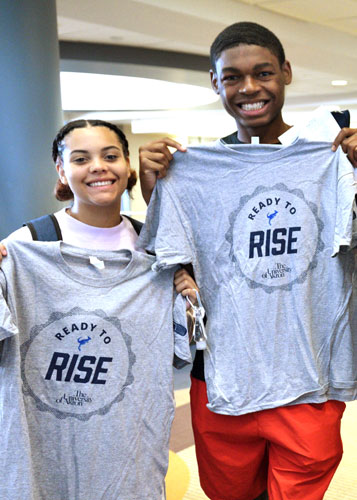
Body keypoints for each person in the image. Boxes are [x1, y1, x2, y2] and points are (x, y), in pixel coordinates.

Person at [137, 22, 357, 500]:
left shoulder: (335, 157)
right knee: (231, 494)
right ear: (215, 83)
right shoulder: (190, 171)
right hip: (221, 373)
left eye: (263, 73)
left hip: (310, 372)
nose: (249, 88)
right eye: (232, 77)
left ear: (287, 73)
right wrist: (154, 190)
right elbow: (160, 265)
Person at [0, 119, 197, 500]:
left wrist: (187, 298)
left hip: (127, 454)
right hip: (43, 451)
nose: (98, 167)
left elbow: (177, 350)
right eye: (81, 158)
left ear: (128, 165)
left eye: (110, 156)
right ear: (62, 170)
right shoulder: (26, 245)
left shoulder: (155, 247)